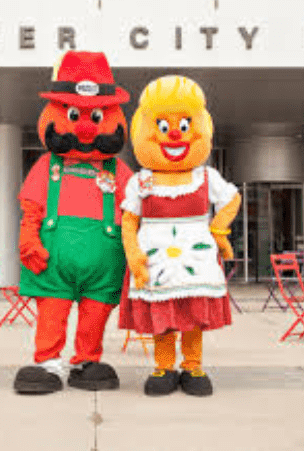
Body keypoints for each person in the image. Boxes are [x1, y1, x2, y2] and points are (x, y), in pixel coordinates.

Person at [13, 51, 134, 395]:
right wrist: (28, 240)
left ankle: (86, 360)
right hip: (53, 261)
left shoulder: (119, 171)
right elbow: (32, 210)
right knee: (52, 311)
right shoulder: (47, 165)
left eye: (96, 116)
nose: (84, 127)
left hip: (104, 262)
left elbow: (133, 214)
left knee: (96, 313)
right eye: (73, 114)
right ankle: (47, 362)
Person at [118, 75, 241, 397]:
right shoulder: (141, 181)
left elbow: (231, 199)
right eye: (162, 125)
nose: (174, 133)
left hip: (196, 258)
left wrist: (219, 230)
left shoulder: (206, 176)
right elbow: (128, 222)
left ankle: (193, 365)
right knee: (163, 317)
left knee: (192, 315)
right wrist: (133, 255)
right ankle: (163, 366)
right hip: (155, 258)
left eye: (185, 124)